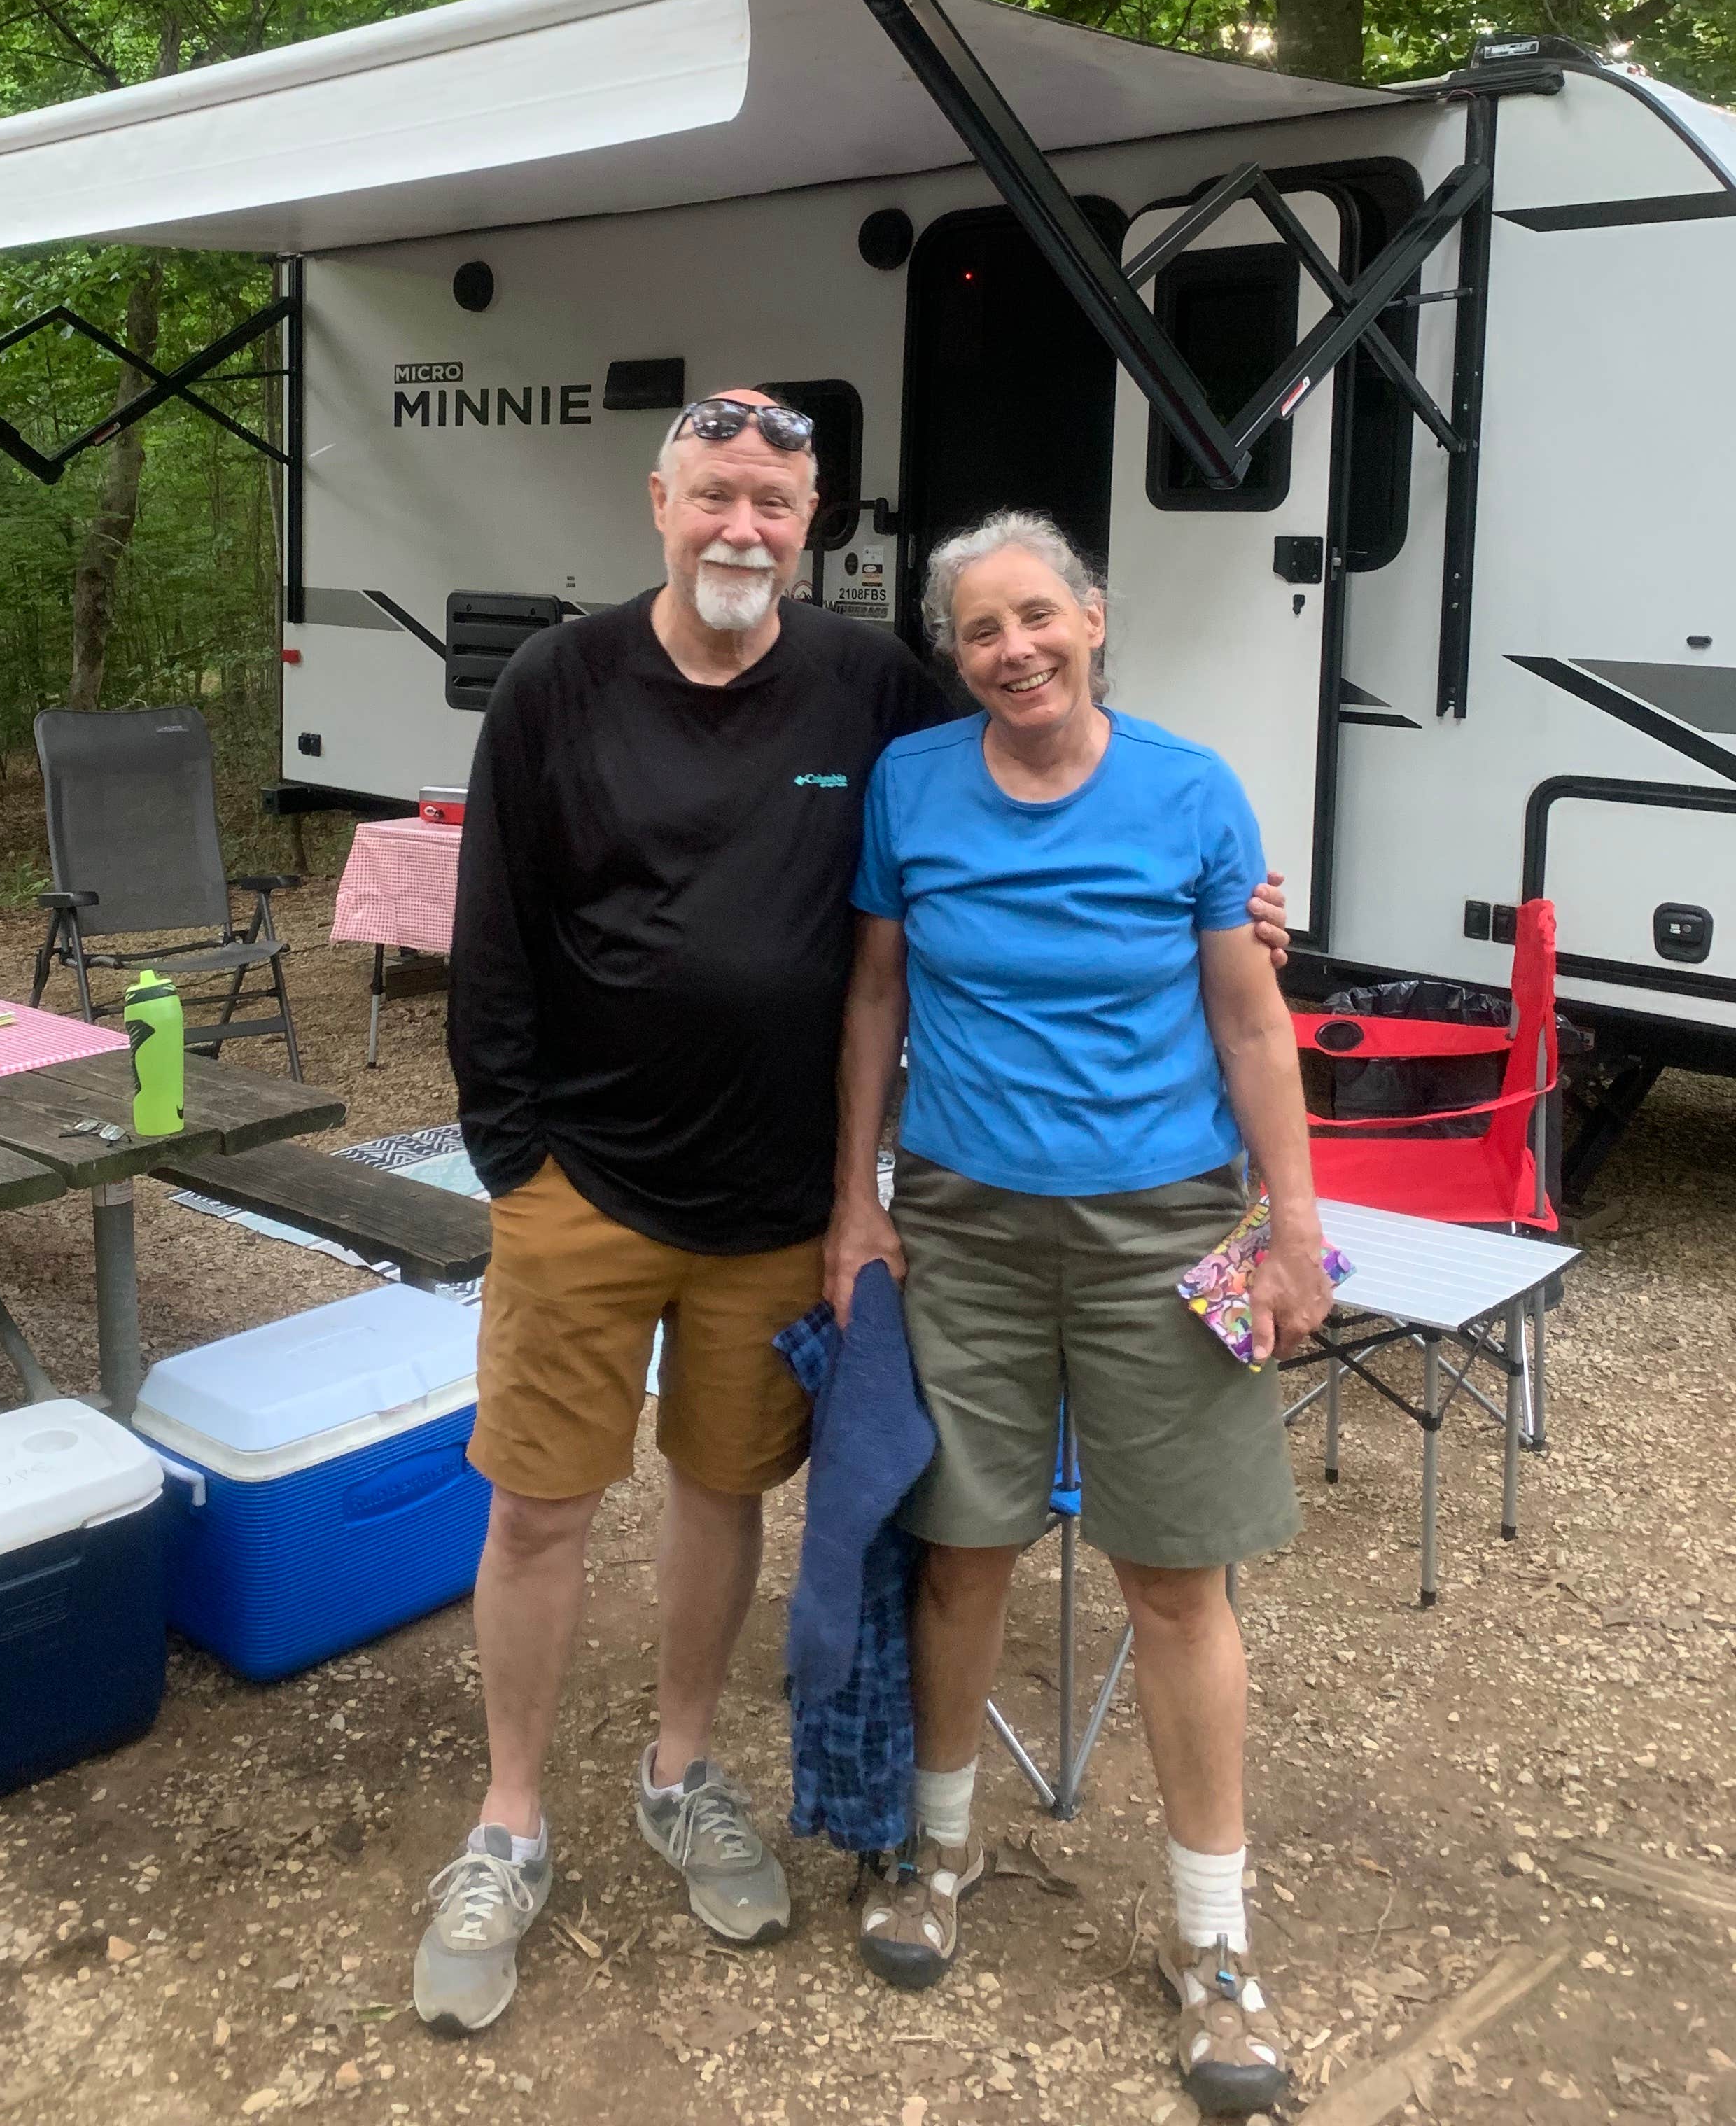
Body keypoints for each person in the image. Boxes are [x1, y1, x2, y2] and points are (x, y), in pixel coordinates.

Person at [417, 405, 1291, 2041]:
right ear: (661, 505)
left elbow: (1053, 733)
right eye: (715, 496)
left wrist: (1223, 880)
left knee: (721, 1493)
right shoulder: (559, 685)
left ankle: (683, 1773)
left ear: (813, 520)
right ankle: (511, 1821)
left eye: (775, 500)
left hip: (779, 1211)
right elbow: (494, 933)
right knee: (539, 1506)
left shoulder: (869, 688)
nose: (742, 526)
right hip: (587, 1191)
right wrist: (508, 1157)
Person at [826, 509, 1334, 2118]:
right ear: (954, 653)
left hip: (1162, 1228)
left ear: (1094, 620)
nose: (1014, 650)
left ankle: (1212, 1945)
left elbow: (1252, 1026)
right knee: (962, 1547)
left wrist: (1296, 1223)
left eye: (1038, 616)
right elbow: (877, 997)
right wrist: (859, 1207)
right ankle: (939, 1851)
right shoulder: (914, 786)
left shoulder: (1189, 790)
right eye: (981, 631)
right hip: (964, 1226)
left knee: (1177, 1578)